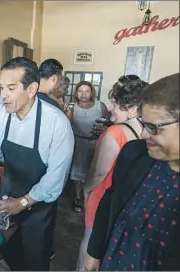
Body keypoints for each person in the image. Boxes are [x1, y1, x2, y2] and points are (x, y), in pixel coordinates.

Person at [0, 57, 74, 270]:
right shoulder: (2, 114)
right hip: (8, 198)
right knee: (9, 256)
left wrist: (22, 203)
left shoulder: (57, 124)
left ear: (31, 89)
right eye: (2, 88)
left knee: (34, 261)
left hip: (38, 207)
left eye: (11, 88)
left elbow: (55, 178)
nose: (4, 95)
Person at [85, 73, 180, 271]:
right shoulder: (135, 152)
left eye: (154, 128)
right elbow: (110, 202)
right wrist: (94, 253)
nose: (145, 134)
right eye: (144, 124)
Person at [77, 78, 148, 270]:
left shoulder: (116, 132)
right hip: (128, 199)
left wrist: (86, 191)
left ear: (132, 108)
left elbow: (98, 174)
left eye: (116, 104)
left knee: (90, 241)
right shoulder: (150, 131)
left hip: (103, 197)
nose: (111, 108)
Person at [70, 81, 108, 212]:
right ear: (76, 93)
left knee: (94, 170)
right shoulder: (72, 107)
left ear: (92, 92)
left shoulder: (100, 106)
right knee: (77, 171)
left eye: (86, 91)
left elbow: (107, 123)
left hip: (96, 142)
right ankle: (78, 198)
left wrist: (102, 130)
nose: (83, 94)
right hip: (78, 142)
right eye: (80, 91)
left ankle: (92, 197)